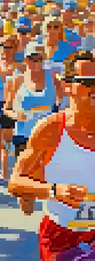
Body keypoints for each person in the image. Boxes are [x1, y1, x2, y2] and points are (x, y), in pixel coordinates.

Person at [8, 49, 95, 261]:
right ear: (67, 86)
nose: (94, 88)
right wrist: (54, 191)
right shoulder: (51, 129)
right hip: (61, 237)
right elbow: (15, 182)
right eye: (87, 82)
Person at [4, 41, 61, 215]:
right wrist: (17, 115)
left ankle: (48, 219)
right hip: (24, 136)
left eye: (39, 59)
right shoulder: (16, 81)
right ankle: (29, 217)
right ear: (26, 60)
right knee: (26, 187)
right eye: (32, 58)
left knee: (47, 179)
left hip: (47, 136)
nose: (35, 63)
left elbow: (65, 101)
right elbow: (6, 109)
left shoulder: (53, 79)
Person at [0, 35, 23, 180]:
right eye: (3, 47)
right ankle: (2, 166)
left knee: (7, 140)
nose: (5, 50)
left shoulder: (20, 67)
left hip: (10, 105)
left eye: (9, 47)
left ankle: (5, 172)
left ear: (15, 49)